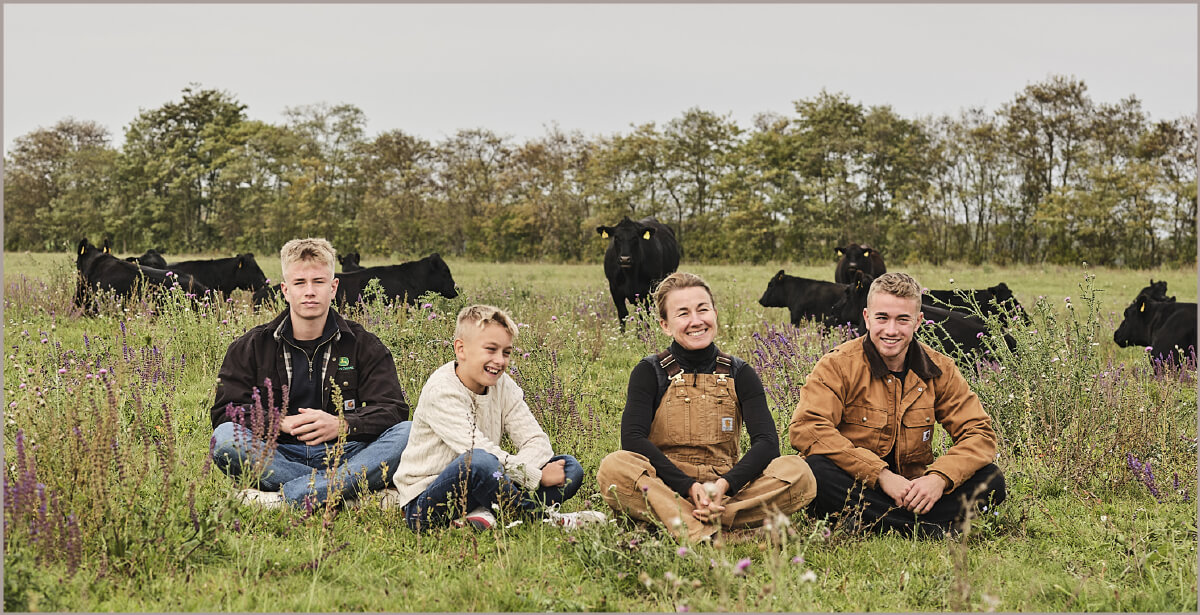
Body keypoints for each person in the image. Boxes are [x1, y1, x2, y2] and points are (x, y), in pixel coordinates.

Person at [596, 272, 817, 542]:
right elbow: (632, 439)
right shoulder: (649, 371)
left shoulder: (741, 372)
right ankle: (723, 533)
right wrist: (688, 487)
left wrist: (724, 485)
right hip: (666, 484)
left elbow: (767, 443)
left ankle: (680, 523)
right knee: (614, 467)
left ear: (715, 313)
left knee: (799, 472)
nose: (696, 321)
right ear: (665, 325)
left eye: (703, 309)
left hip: (724, 489)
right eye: (683, 314)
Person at [790, 272, 1006, 538]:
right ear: (867, 317)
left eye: (902, 320)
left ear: (917, 322)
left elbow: (979, 434)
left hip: (914, 489)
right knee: (815, 470)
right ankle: (928, 529)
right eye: (882, 318)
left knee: (991, 479)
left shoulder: (941, 368)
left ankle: (877, 522)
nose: (891, 330)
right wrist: (880, 475)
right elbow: (808, 428)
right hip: (857, 483)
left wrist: (939, 478)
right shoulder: (838, 365)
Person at [209, 238, 412, 509]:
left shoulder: (364, 344)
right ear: (285, 290)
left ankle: (285, 498)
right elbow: (225, 412)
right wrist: (278, 422)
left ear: (333, 287)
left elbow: (394, 410)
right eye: (299, 283)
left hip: (346, 451)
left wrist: (343, 425)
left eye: (318, 282)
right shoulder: (252, 346)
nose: (309, 291)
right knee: (223, 439)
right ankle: (347, 493)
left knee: (409, 433)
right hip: (278, 452)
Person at [390, 304, 602, 531]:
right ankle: (541, 520)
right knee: (478, 461)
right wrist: (536, 476)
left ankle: (486, 512)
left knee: (570, 468)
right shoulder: (441, 390)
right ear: (461, 349)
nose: (500, 361)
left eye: (507, 352)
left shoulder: (503, 385)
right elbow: (475, 449)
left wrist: (527, 474)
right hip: (427, 500)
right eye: (491, 350)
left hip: (484, 481)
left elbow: (536, 441)